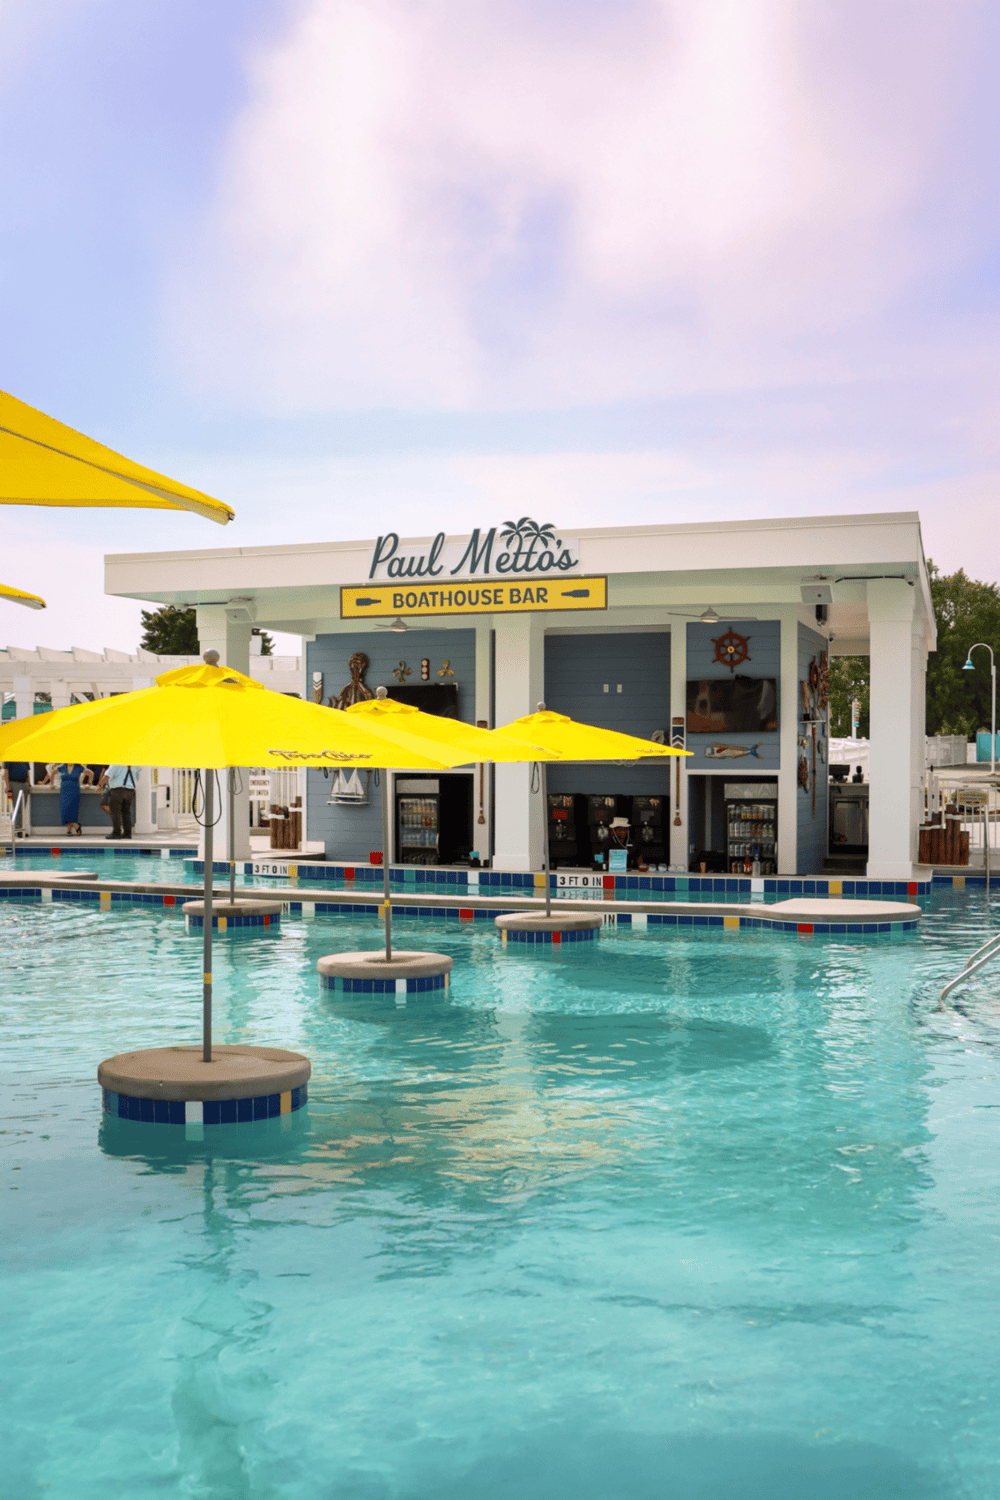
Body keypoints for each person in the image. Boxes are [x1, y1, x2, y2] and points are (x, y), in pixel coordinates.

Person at [38, 762, 93, 836]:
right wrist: (52, 784)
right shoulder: (62, 767)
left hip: (74, 791)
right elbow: (53, 773)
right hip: (64, 791)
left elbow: (91, 774)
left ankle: (68, 830)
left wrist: (89, 784)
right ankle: (76, 825)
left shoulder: (79, 768)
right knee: (65, 810)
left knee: (72, 811)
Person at [97, 764, 136, 840]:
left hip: (117, 791)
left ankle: (116, 833)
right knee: (126, 813)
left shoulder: (116, 764)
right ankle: (127, 833)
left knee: (116, 813)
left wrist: (99, 785)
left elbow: (107, 776)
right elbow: (136, 777)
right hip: (130, 791)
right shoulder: (135, 765)